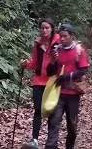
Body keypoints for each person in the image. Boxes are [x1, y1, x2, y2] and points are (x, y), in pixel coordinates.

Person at [47, 23, 90, 149]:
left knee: (72, 124)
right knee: (54, 121)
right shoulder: (56, 50)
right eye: (60, 36)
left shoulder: (78, 50)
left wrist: (66, 77)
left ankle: (69, 146)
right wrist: (53, 61)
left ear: (71, 36)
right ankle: (50, 146)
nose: (62, 39)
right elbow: (49, 71)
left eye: (65, 36)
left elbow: (82, 70)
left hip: (73, 94)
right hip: (58, 92)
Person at [20, 18, 60, 149]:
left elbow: (63, 62)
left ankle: (50, 141)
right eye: (42, 28)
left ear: (52, 29)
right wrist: (26, 64)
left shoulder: (58, 43)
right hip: (38, 79)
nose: (44, 30)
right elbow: (35, 62)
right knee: (38, 109)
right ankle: (35, 140)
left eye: (47, 28)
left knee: (50, 110)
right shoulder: (37, 44)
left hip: (52, 80)